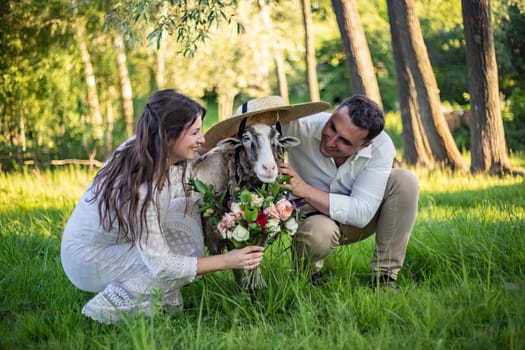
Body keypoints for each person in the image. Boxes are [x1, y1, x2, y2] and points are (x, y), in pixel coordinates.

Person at [61, 89, 264, 325]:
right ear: (168, 137)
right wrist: (228, 260)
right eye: (195, 132)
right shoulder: (142, 188)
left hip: (121, 239)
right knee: (176, 266)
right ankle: (111, 303)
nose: (202, 139)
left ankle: (155, 294)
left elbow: (200, 164)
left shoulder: (150, 150)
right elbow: (163, 265)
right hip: (89, 259)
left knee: (186, 210)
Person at [203, 95, 418, 290]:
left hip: (359, 220)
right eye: (332, 127)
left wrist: (303, 189)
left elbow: (361, 214)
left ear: (364, 145)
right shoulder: (301, 127)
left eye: (344, 141)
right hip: (311, 219)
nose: (331, 140)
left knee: (404, 180)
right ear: (332, 115)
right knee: (318, 231)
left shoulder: (381, 148)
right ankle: (308, 274)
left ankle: (384, 277)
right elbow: (253, 128)